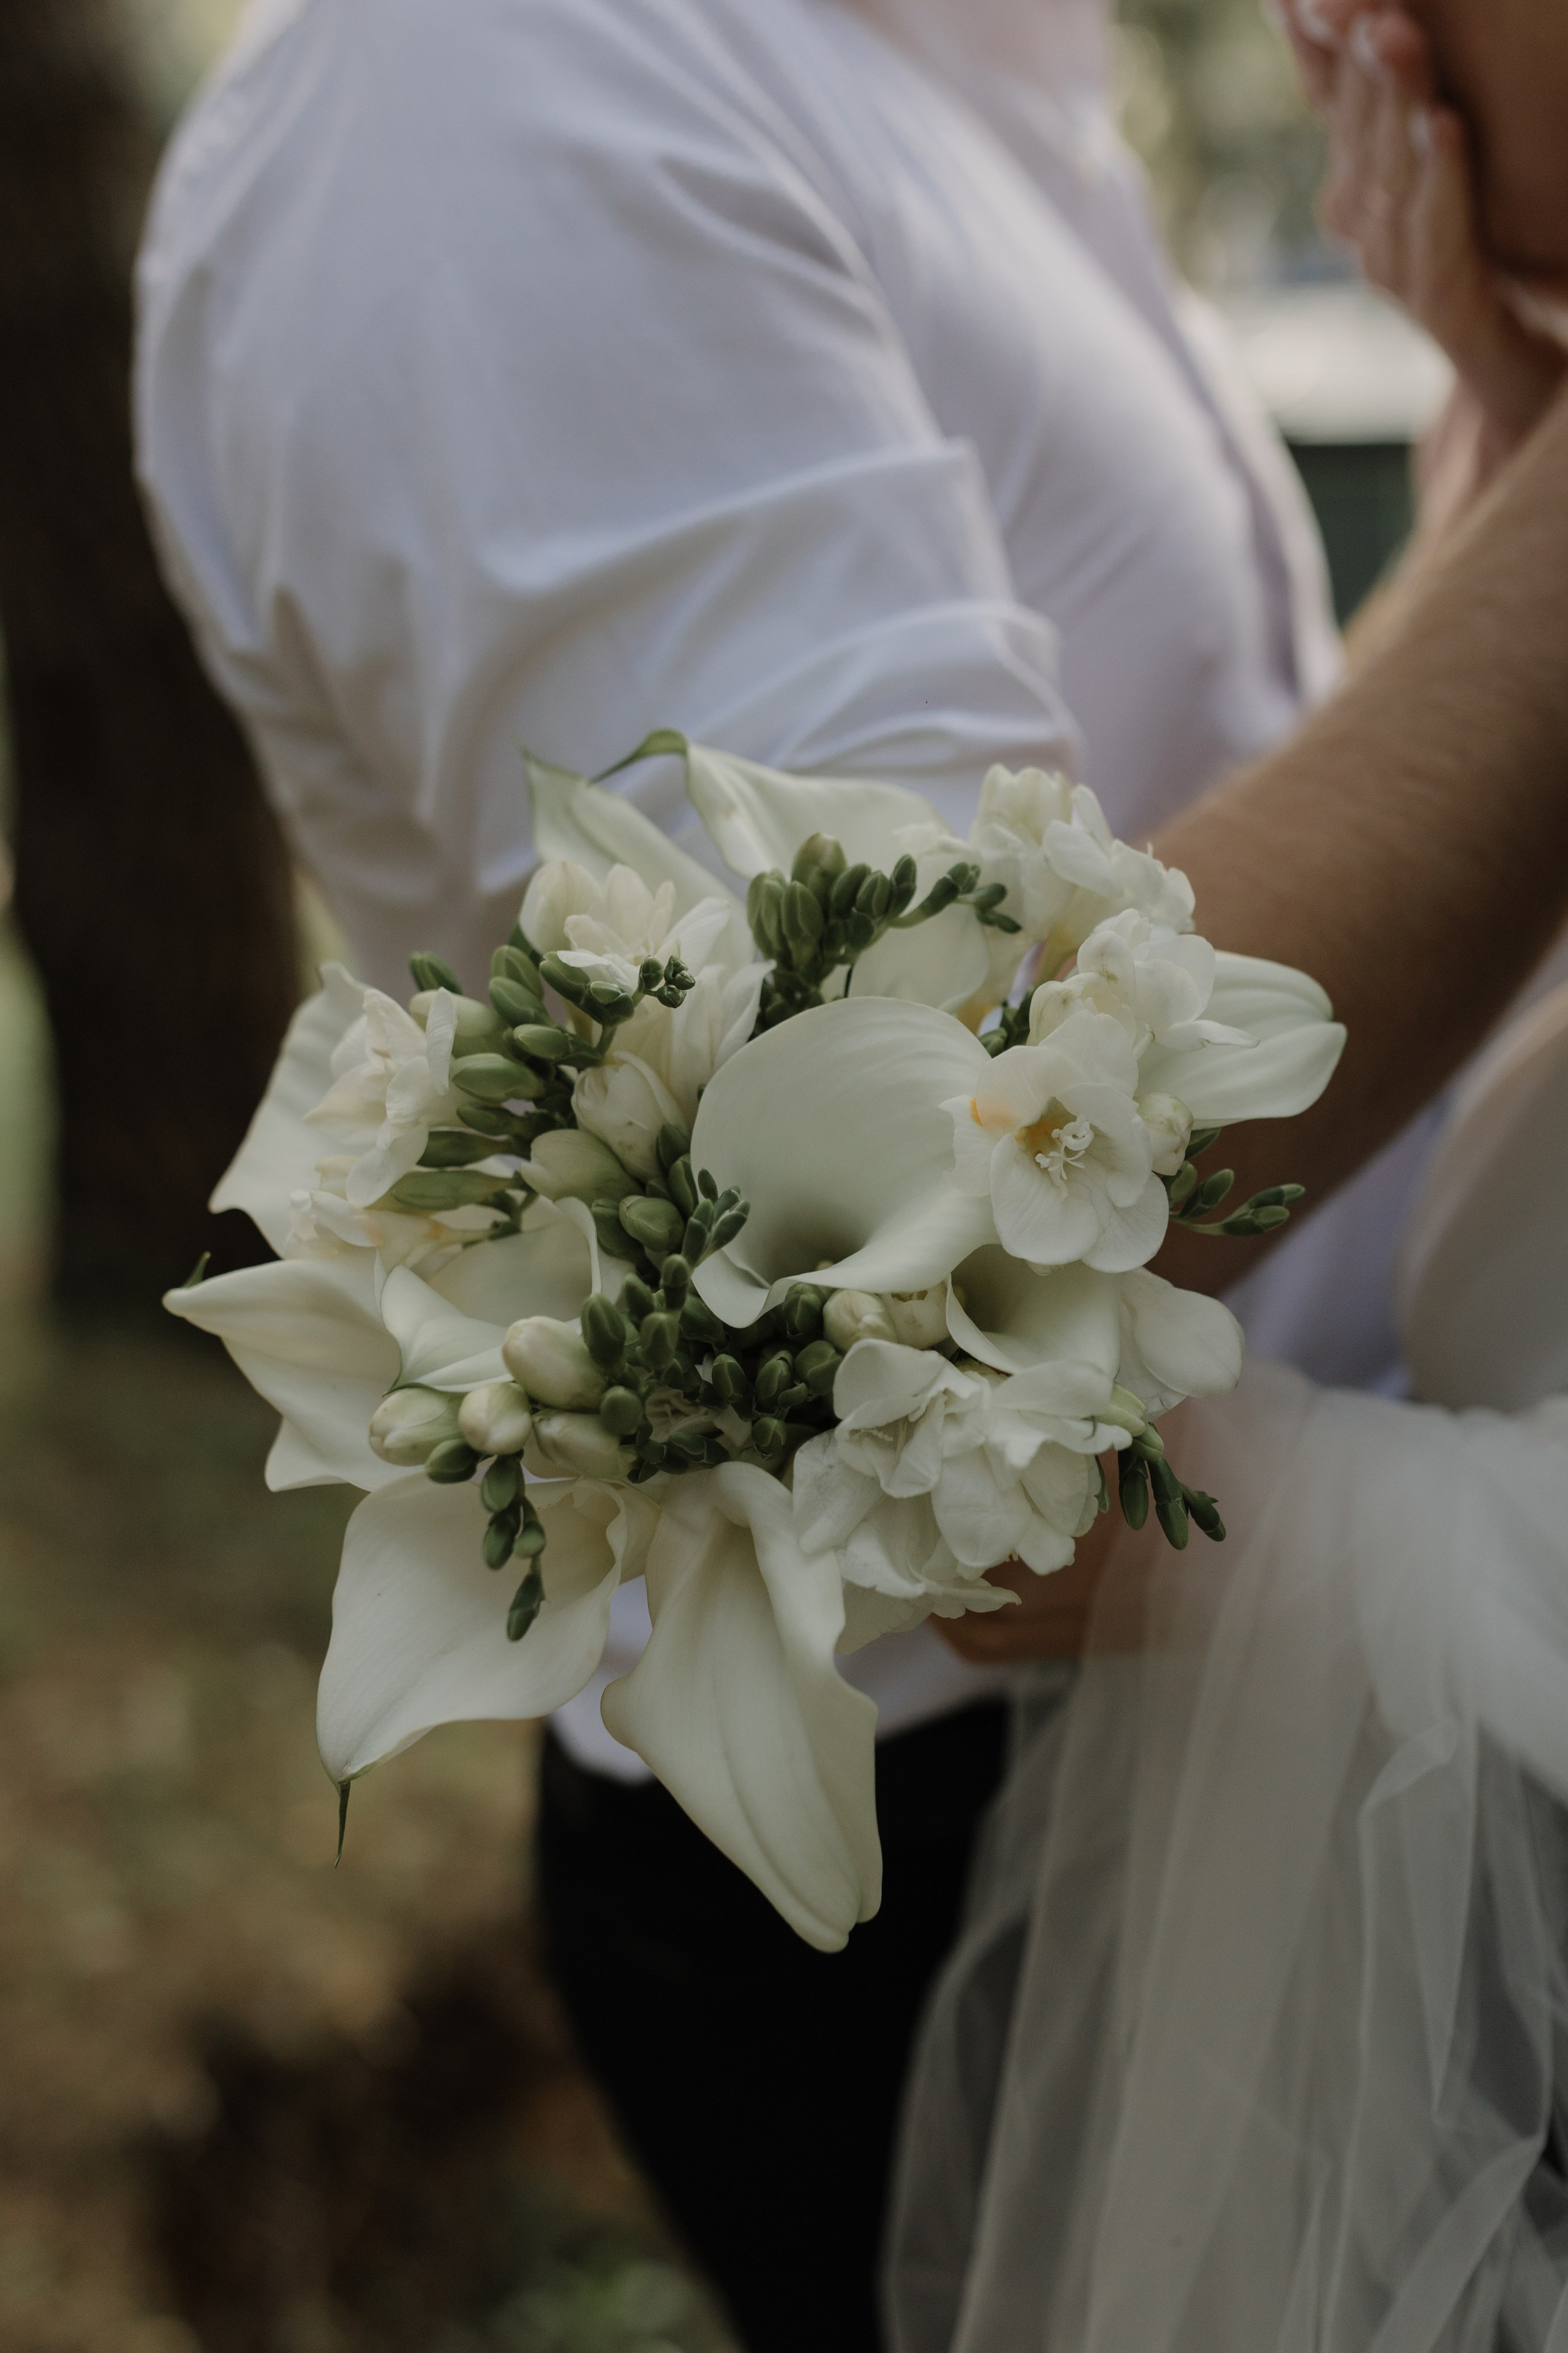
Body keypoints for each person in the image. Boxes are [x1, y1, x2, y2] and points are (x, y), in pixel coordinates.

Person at [132, 0, 1568, 2342]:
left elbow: (1160, 898)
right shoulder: (497, 119)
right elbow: (941, 1182)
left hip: (1312, 1688)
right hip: (1012, 1849)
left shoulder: (917, 46)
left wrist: (1505, 467)